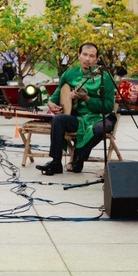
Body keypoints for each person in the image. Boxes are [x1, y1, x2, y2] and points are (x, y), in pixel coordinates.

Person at [38, 43, 117, 176]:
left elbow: (108, 106)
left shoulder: (105, 77)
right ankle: (56, 162)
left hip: (99, 117)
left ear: (97, 59)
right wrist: (51, 104)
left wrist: (87, 99)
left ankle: (79, 157)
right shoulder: (69, 74)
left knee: (99, 129)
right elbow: (57, 95)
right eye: (84, 55)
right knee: (58, 120)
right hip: (78, 118)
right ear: (79, 56)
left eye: (92, 56)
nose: (87, 59)